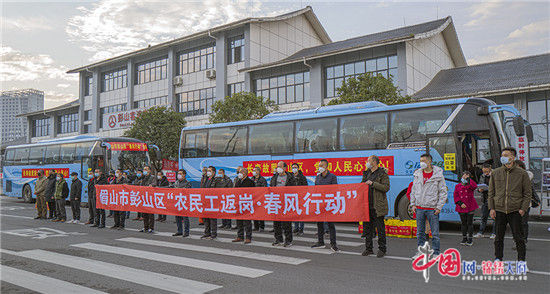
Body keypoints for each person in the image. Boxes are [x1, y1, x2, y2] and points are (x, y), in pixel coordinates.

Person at [489, 147, 531, 262]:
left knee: (519, 238)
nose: (503, 157)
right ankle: (498, 258)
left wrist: (523, 209)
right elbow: (491, 192)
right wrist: (492, 208)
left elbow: (527, 194)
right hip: (499, 210)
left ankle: (521, 261)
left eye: (506, 155)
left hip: (515, 210)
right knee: (498, 237)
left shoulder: (522, 174)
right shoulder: (496, 173)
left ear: (513, 157)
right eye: (502, 155)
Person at [410, 153, 447, 259]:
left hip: (432, 209)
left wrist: (439, 207)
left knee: (435, 234)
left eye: (424, 161)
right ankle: (421, 252)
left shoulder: (438, 175)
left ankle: (436, 253)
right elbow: (413, 190)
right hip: (419, 208)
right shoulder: (417, 174)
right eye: (420, 160)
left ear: (430, 162)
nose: (421, 163)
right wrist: (413, 204)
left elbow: (443, 192)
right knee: (420, 233)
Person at [361, 155, 390, 258]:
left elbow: (386, 187)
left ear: (374, 162)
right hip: (367, 205)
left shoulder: (382, 174)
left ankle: (382, 249)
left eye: (368, 160)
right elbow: (362, 186)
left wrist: (373, 184)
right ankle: (368, 248)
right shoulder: (366, 173)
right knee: (368, 228)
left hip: (377, 206)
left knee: (380, 228)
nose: (367, 162)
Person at [311, 159, 339, 252]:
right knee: (319, 224)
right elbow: (315, 190)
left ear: (327, 167)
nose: (320, 167)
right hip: (319, 203)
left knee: (331, 225)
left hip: (329, 204)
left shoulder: (332, 177)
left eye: (322, 165)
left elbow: (335, 190)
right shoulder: (318, 177)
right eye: (319, 166)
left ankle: (333, 244)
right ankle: (320, 242)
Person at [514, 159, 540, 246]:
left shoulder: (527, 174)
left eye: (517, 167)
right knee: (516, 223)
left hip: (525, 204)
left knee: (523, 222)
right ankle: (517, 240)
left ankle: (524, 240)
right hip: (514, 204)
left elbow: (528, 177)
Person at [270, 161, 295, 247]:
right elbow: (271, 188)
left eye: (280, 166)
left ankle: (288, 240)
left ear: (285, 168)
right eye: (277, 166)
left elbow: (294, 189)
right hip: (276, 202)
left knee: (286, 223)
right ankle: (278, 239)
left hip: (286, 202)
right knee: (276, 223)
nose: (278, 168)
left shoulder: (290, 177)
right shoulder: (274, 177)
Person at [454, 171, 478, 246]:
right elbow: (456, 196)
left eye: (467, 175)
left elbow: (474, 186)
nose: (465, 176)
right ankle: (464, 238)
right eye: (464, 175)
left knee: (470, 223)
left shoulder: (470, 185)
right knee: (463, 223)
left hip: (470, 206)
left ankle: (470, 239)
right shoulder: (457, 186)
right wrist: (460, 203)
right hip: (461, 207)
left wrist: (469, 179)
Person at [232, 168, 255, 244]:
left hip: (246, 204)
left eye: (241, 172)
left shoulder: (250, 182)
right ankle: (240, 236)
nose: (239, 173)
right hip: (239, 204)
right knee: (239, 221)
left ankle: (248, 237)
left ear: (245, 173)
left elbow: (254, 193)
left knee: (247, 222)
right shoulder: (238, 181)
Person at [474, 164, 496, 239]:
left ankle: (494, 233)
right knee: (483, 217)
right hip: (485, 199)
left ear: (490, 168)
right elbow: (480, 185)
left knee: (494, 217)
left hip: (493, 200)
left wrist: (489, 188)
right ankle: (481, 232)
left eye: (486, 171)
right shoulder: (482, 176)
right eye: (484, 172)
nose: (485, 173)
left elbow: (498, 187)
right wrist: (479, 190)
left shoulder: (495, 175)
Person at [201, 166, 219, 239]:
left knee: (212, 219)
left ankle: (213, 234)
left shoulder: (216, 180)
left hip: (212, 201)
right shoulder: (206, 179)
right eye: (207, 170)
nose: (208, 172)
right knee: (206, 218)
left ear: (213, 172)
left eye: (209, 171)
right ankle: (207, 233)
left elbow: (218, 191)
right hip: (206, 201)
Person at [172, 169, 192, 237]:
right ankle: (179, 231)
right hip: (177, 201)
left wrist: (179, 190)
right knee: (177, 217)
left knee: (185, 218)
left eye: (180, 173)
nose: (179, 175)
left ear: (184, 175)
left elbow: (187, 190)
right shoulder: (176, 182)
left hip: (184, 202)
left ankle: (186, 232)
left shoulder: (187, 182)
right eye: (178, 173)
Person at [292, 163, 307, 236]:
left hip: (301, 198)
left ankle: (301, 229)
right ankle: (296, 228)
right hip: (293, 198)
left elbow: (305, 187)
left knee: (301, 214)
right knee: (295, 213)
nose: (294, 169)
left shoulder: (302, 177)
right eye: (293, 167)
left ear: (298, 168)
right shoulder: (290, 177)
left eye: (295, 167)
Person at [140, 166, 155, 233]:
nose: (144, 170)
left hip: (150, 197)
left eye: (146, 169)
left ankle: (151, 227)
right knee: (144, 213)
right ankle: (145, 227)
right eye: (144, 169)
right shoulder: (143, 178)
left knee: (150, 214)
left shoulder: (152, 177)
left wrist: (151, 185)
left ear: (149, 170)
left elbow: (154, 183)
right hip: (144, 197)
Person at [251, 166, 267, 232]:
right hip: (253, 198)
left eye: (255, 170)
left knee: (260, 213)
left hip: (260, 198)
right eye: (253, 170)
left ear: (258, 171)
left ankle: (262, 227)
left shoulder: (262, 179)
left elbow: (264, 189)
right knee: (254, 213)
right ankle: (256, 226)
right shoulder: (252, 179)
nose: (253, 172)